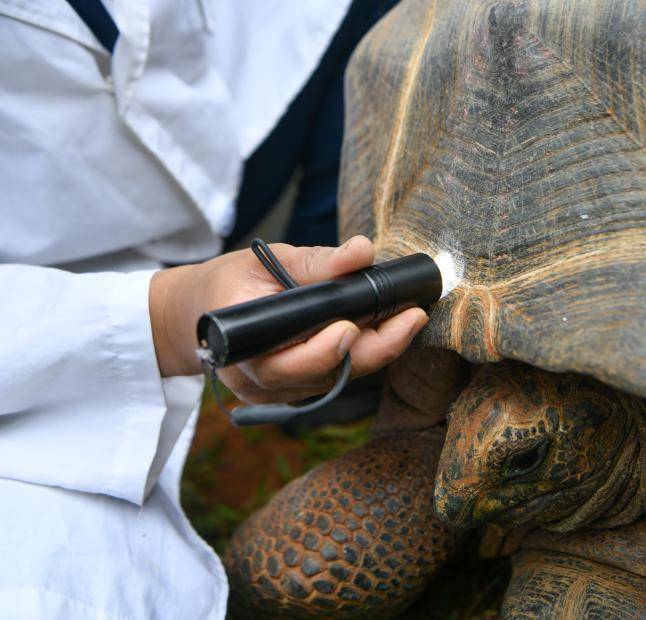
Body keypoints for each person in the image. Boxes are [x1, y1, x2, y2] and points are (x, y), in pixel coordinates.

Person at [0, 1, 417, 618]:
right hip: (48, 266)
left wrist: (178, 309)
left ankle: (331, 373)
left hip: (230, 86)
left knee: (336, 259)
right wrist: (167, 317)